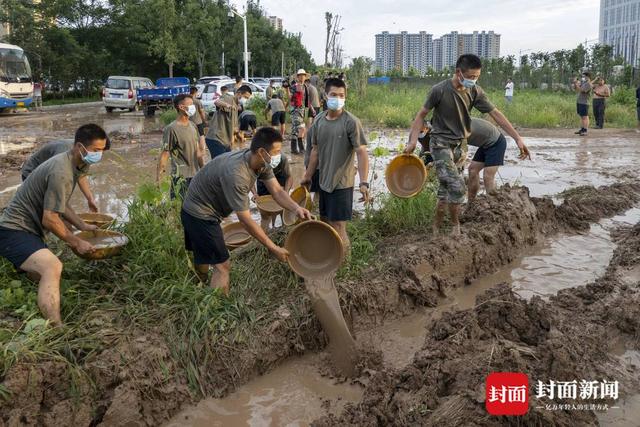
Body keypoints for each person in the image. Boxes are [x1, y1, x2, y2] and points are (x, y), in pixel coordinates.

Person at [404, 54, 529, 236]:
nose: (474, 80)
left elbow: (496, 114)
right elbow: (421, 115)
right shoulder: (439, 90)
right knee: (458, 186)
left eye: (477, 76)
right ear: (458, 72)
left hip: (459, 146)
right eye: (470, 77)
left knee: (445, 190)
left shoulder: (475, 91)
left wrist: (517, 138)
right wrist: (412, 142)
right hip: (440, 144)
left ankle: (436, 227)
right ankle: (456, 226)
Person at [0, 124, 110, 326]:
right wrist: (76, 242)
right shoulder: (62, 171)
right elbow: (50, 219)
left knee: (39, 273)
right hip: (13, 231)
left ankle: (31, 285)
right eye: (96, 150)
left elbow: (61, 204)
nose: (99, 155)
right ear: (79, 147)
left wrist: (82, 225)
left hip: (27, 231)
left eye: (102, 151)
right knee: (53, 266)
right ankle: (56, 328)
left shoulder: (74, 164)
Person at [181, 127, 312, 295]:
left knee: (204, 254)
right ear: (262, 152)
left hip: (200, 207)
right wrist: (273, 247)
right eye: (277, 151)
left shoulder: (261, 163)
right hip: (199, 213)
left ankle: (198, 287)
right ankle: (218, 311)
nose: (280, 155)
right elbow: (246, 220)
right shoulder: (237, 174)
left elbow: (278, 191)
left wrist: (296, 208)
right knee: (222, 265)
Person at [302, 78, 369, 254]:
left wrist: (364, 182)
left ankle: (344, 263)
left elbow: (362, 153)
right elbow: (315, 151)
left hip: (342, 184)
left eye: (341, 95)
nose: (338, 98)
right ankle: (328, 258)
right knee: (324, 222)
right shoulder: (318, 121)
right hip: (324, 182)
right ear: (325, 96)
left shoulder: (351, 122)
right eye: (334, 95)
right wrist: (308, 176)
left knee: (339, 226)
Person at [22, 140, 99, 212]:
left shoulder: (85, 156)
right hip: (33, 171)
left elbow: (81, 176)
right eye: (96, 150)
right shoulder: (64, 154)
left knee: (59, 206)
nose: (98, 153)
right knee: (47, 207)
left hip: (51, 173)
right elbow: (57, 181)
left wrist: (90, 198)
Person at [467, 118, 530, 202]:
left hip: (496, 142)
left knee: (488, 177)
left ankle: (493, 205)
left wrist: (517, 139)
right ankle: (471, 203)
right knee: (472, 170)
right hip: (485, 142)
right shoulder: (448, 126)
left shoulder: (455, 128)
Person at [157, 94, 204, 200]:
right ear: (181, 107)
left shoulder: (193, 126)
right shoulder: (171, 129)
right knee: (178, 209)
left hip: (195, 177)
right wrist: (158, 181)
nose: (193, 107)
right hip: (180, 178)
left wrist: (204, 171)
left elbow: (198, 152)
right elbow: (164, 155)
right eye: (191, 104)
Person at [205, 85, 252, 158]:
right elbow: (217, 102)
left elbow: (233, 127)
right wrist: (228, 105)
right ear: (239, 93)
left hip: (225, 141)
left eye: (247, 98)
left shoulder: (236, 106)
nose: (245, 100)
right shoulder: (229, 98)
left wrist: (240, 136)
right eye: (245, 97)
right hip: (216, 139)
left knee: (227, 163)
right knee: (220, 165)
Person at [254, 153, 293, 230]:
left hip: (280, 181)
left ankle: (284, 230)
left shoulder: (282, 159)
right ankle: (267, 232)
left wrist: (286, 191)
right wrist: (255, 194)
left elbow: (289, 177)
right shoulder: (257, 160)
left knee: (282, 209)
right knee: (265, 213)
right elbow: (250, 180)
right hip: (263, 183)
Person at [289, 69, 313, 155]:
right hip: (295, 110)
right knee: (299, 128)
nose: (302, 77)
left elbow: (307, 100)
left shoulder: (305, 87)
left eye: (303, 75)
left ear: (305, 77)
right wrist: (295, 94)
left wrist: (312, 108)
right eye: (300, 75)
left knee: (299, 129)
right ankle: (298, 148)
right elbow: (290, 98)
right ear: (297, 77)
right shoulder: (294, 86)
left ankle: (296, 148)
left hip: (302, 111)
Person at [573, 72, 593, 136]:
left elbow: (582, 90)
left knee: (585, 117)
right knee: (582, 117)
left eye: (584, 76)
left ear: (588, 77)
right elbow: (576, 89)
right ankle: (582, 129)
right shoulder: (584, 83)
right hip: (580, 102)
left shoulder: (588, 84)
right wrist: (575, 83)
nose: (583, 77)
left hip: (584, 103)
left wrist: (577, 84)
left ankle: (585, 130)